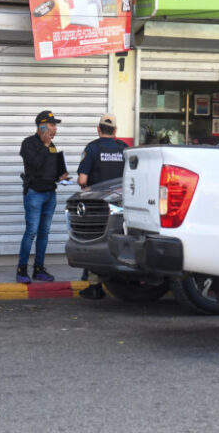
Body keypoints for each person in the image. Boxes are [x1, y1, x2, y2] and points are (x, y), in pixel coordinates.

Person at [76, 113, 128, 299]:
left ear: (98, 129)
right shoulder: (124, 148)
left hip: (97, 204)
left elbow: (82, 180)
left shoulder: (92, 148)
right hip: (120, 205)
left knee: (93, 241)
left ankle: (94, 286)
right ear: (115, 131)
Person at [17, 110, 69, 284]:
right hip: (35, 194)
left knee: (44, 233)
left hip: (50, 194)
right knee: (31, 232)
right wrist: (45, 145)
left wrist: (61, 177)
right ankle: (21, 270)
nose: (55, 129)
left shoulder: (52, 145)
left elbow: (50, 170)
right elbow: (35, 164)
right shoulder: (28, 144)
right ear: (41, 126)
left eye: (55, 126)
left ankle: (39, 269)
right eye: (52, 125)